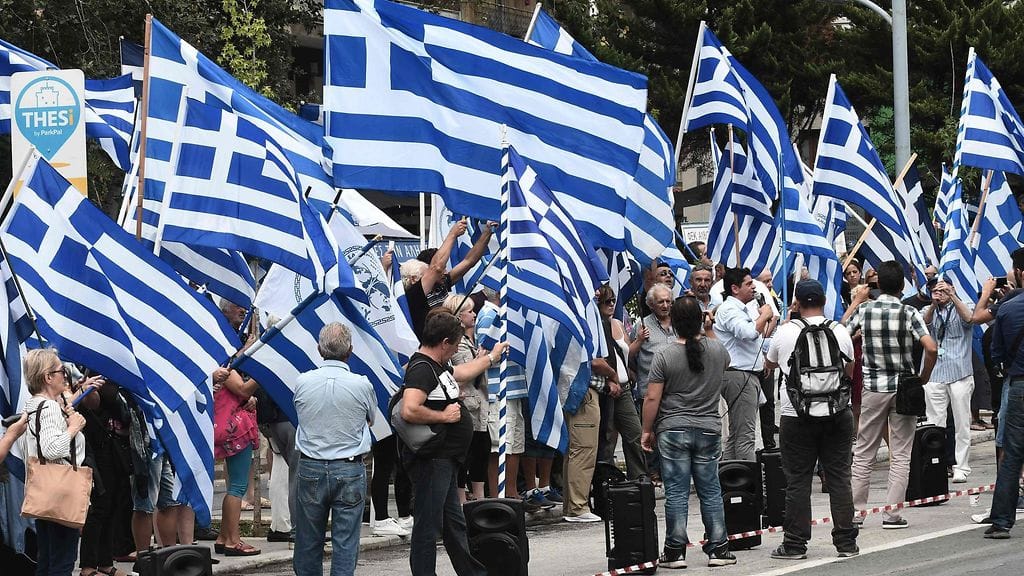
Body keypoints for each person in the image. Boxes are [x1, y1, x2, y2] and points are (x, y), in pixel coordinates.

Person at [765, 280, 859, 559]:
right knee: (839, 477)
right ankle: (846, 542)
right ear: (824, 301)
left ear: (796, 302)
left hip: (796, 415)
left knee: (798, 480)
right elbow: (850, 369)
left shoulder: (786, 332)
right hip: (837, 412)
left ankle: (795, 544)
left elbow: (769, 363)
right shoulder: (839, 330)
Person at [641, 297, 736, 568]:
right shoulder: (717, 351)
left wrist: (646, 430)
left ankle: (675, 551)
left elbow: (652, 398)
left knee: (676, 492)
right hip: (708, 429)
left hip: (673, 428)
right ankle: (718, 548)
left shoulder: (665, 355)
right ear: (700, 320)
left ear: (673, 322)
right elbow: (724, 357)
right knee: (710, 490)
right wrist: (709, 329)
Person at [843, 261, 937, 529]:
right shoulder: (909, 312)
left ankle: (856, 512)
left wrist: (857, 301)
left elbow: (842, 335)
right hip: (904, 386)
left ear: (878, 285)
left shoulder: (865, 310)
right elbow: (931, 348)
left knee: (864, 451)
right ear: (902, 286)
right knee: (901, 452)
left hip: (873, 386)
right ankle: (892, 514)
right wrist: (923, 377)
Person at [401, 310, 489, 576]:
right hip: (432, 460)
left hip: (446, 459)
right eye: (455, 345)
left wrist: (490, 358)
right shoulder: (422, 369)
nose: (455, 351)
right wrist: (443, 416)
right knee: (428, 525)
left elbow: (459, 373)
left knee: (454, 523)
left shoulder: (436, 366)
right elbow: (409, 409)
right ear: (444, 343)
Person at [292, 323, 376, 576]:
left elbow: (300, 412)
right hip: (348, 466)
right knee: (346, 541)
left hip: (311, 465)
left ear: (319, 350)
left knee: (308, 539)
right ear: (350, 351)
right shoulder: (362, 384)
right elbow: (370, 418)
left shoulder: (303, 381)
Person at [21, 349, 88, 576]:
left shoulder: (34, 404)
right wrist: (74, 427)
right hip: (60, 491)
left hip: (45, 489)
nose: (65, 376)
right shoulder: (48, 407)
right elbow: (51, 449)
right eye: (62, 371)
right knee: (62, 561)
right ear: (48, 377)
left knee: (48, 559)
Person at [713, 267, 774, 461]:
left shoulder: (740, 309)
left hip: (745, 375)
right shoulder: (729, 309)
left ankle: (730, 475)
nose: (753, 287)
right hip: (739, 376)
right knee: (745, 436)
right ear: (735, 288)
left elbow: (753, 340)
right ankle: (749, 477)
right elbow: (747, 333)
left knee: (736, 434)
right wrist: (764, 315)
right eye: (748, 284)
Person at [402, 219, 494, 339]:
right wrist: (453, 234)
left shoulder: (441, 284)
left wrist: (487, 232)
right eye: (428, 274)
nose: (445, 272)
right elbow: (437, 267)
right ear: (414, 279)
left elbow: (469, 261)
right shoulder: (413, 296)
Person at [922, 279, 976, 483]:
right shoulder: (929, 309)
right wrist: (933, 304)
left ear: (952, 288)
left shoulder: (963, 304)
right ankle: (936, 465)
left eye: (943, 289)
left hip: (959, 371)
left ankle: (961, 467)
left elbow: (969, 319)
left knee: (962, 422)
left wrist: (952, 296)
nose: (940, 293)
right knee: (934, 424)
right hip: (934, 372)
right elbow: (924, 323)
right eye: (936, 290)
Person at [984, 273, 1024, 538]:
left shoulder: (1008, 309)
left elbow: (995, 352)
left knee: (1012, 455)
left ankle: (1001, 521)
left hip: (1019, 384)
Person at [593, 284, 646, 479]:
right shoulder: (594, 325)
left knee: (634, 433)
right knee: (606, 437)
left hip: (624, 387)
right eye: (606, 301)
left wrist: (639, 340)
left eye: (613, 300)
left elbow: (627, 352)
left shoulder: (617, 323)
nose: (611, 305)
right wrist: (610, 378)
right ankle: (605, 482)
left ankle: (639, 478)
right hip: (604, 387)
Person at [443, 294, 491, 505]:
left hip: (479, 402)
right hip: (466, 403)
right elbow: (464, 372)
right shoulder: (458, 343)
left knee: (482, 449)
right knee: (466, 452)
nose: (474, 314)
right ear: (458, 316)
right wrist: (482, 360)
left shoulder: (473, 339)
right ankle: (461, 499)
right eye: (469, 311)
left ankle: (480, 496)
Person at [211, 367, 261, 556]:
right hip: (236, 431)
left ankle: (223, 537)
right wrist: (261, 373)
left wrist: (251, 399)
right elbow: (242, 390)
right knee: (238, 486)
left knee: (235, 486)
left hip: (227, 426)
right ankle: (233, 540)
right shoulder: (226, 366)